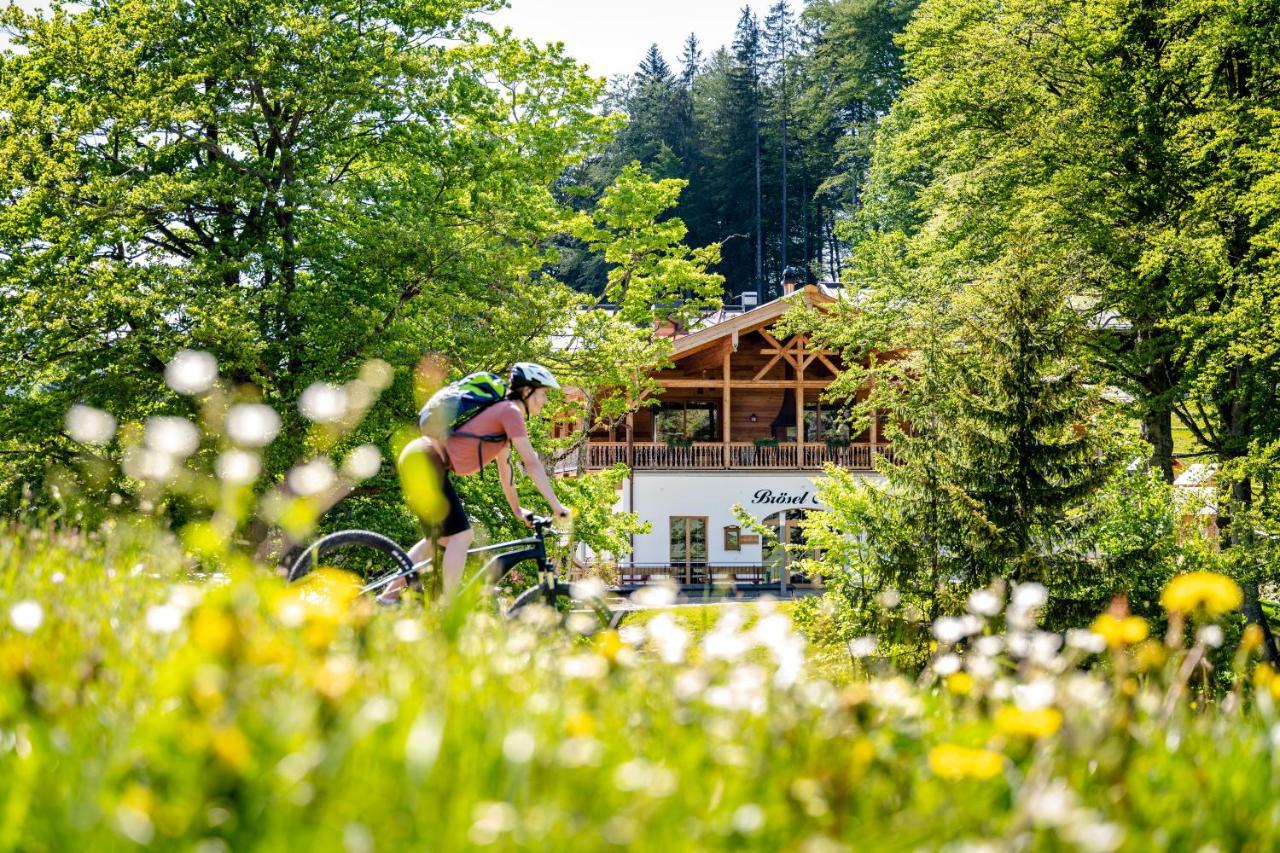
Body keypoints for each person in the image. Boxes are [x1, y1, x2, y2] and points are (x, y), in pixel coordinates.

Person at [385, 362, 570, 602]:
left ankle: (388, 598)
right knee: (462, 535)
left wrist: (517, 510)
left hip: (419, 457)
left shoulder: (503, 418)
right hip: (427, 458)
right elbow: (531, 462)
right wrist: (557, 506)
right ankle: (448, 607)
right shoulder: (510, 412)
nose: (545, 401)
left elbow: (507, 471)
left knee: (437, 541)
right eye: (543, 393)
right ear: (526, 391)